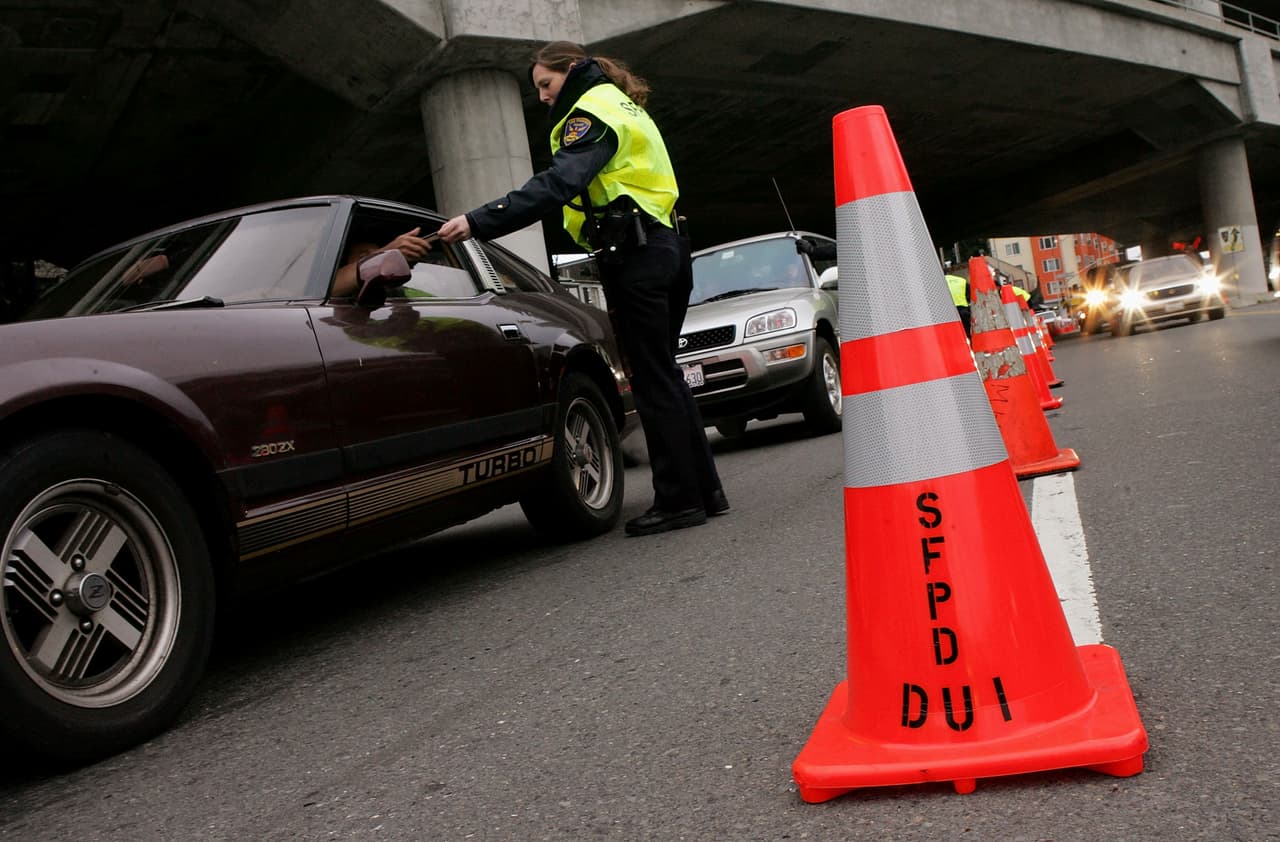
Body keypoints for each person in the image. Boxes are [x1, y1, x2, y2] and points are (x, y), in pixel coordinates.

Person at [438, 40, 726, 537]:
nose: (544, 98)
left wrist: (478, 221)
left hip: (637, 255)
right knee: (666, 374)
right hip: (669, 247)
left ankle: (679, 501)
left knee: (653, 378)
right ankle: (705, 492)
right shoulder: (622, 102)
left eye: (545, 86)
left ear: (570, 71)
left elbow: (560, 183)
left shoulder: (588, 112)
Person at [330, 227, 434, 298]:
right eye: (364, 257)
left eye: (376, 254)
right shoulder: (324, 295)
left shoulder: (394, 294)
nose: (377, 262)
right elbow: (327, 288)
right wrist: (388, 253)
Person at [944, 270, 971, 337]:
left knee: (953, 334)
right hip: (963, 309)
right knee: (968, 332)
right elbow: (970, 295)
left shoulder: (937, 282)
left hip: (948, 312)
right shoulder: (962, 280)